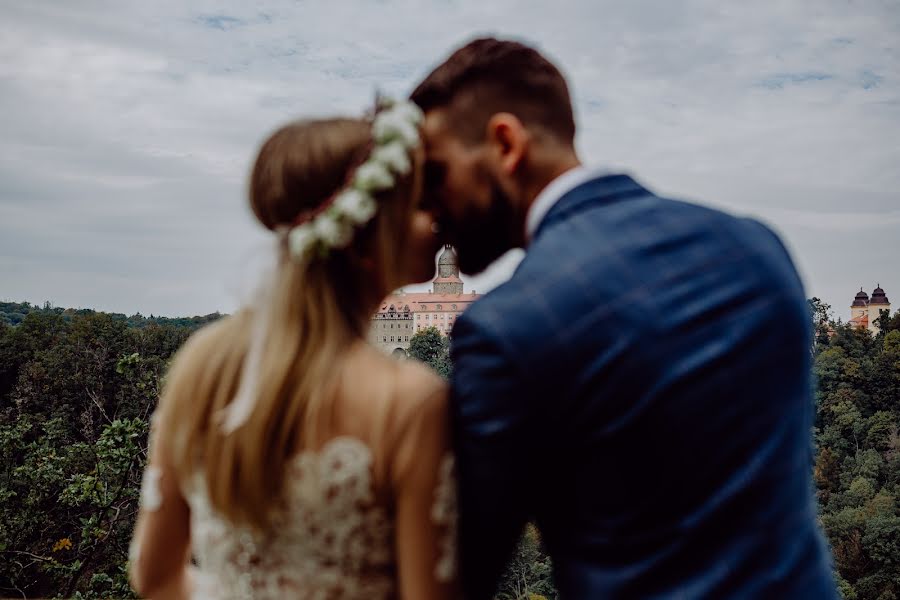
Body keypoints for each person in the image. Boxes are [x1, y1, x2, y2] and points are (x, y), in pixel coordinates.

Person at [411, 37, 839, 599]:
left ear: (505, 143)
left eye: (437, 174)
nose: (430, 204)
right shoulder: (757, 249)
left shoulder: (509, 326)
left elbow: (461, 577)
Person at [128, 104, 459, 599]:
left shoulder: (202, 363)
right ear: (366, 232)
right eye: (415, 206)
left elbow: (153, 578)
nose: (434, 221)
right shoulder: (410, 400)